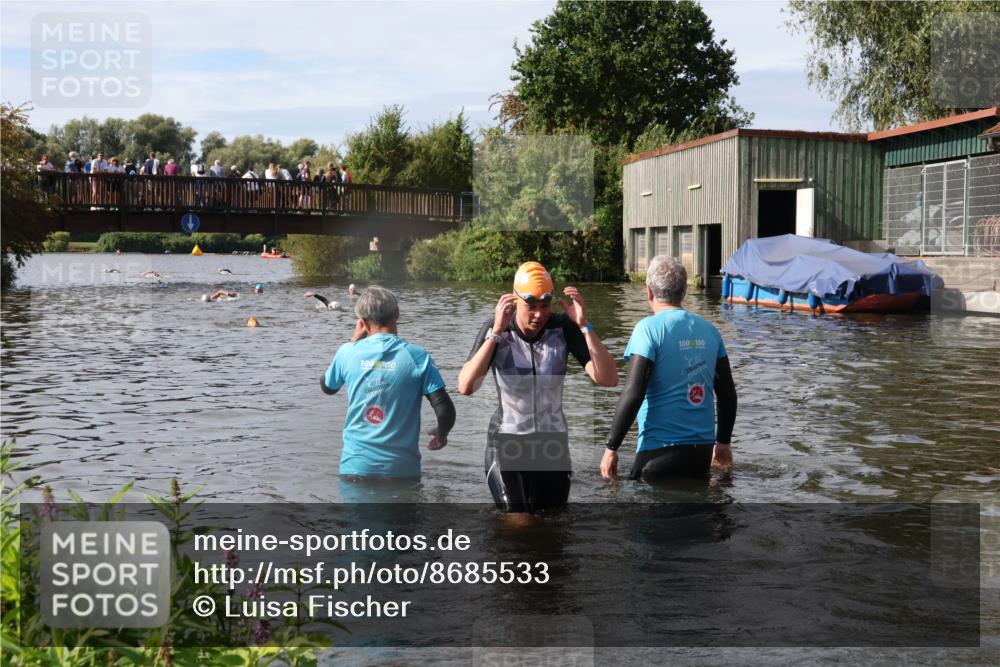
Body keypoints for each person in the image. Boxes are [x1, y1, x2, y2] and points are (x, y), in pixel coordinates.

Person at [458, 261, 618, 513]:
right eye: (530, 307)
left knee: (554, 525)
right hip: (507, 442)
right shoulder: (497, 330)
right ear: (514, 302)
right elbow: (466, 386)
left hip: (551, 445)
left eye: (545, 306)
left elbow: (608, 379)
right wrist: (496, 332)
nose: (539, 314)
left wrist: (585, 327)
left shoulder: (563, 328)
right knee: (518, 522)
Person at [600, 256, 737, 483]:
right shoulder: (710, 331)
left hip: (658, 454)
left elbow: (633, 393)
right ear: (684, 290)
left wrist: (611, 447)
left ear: (649, 292)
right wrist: (723, 443)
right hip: (701, 455)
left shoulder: (647, 330)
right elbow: (727, 394)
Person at [321, 286, 456, 479]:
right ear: (397, 313)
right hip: (401, 470)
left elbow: (327, 387)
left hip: (355, 467)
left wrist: (353, 341)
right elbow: (444, 409)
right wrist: (442, 433)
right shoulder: (417, 357)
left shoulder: (347, 352)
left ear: (362, 322)